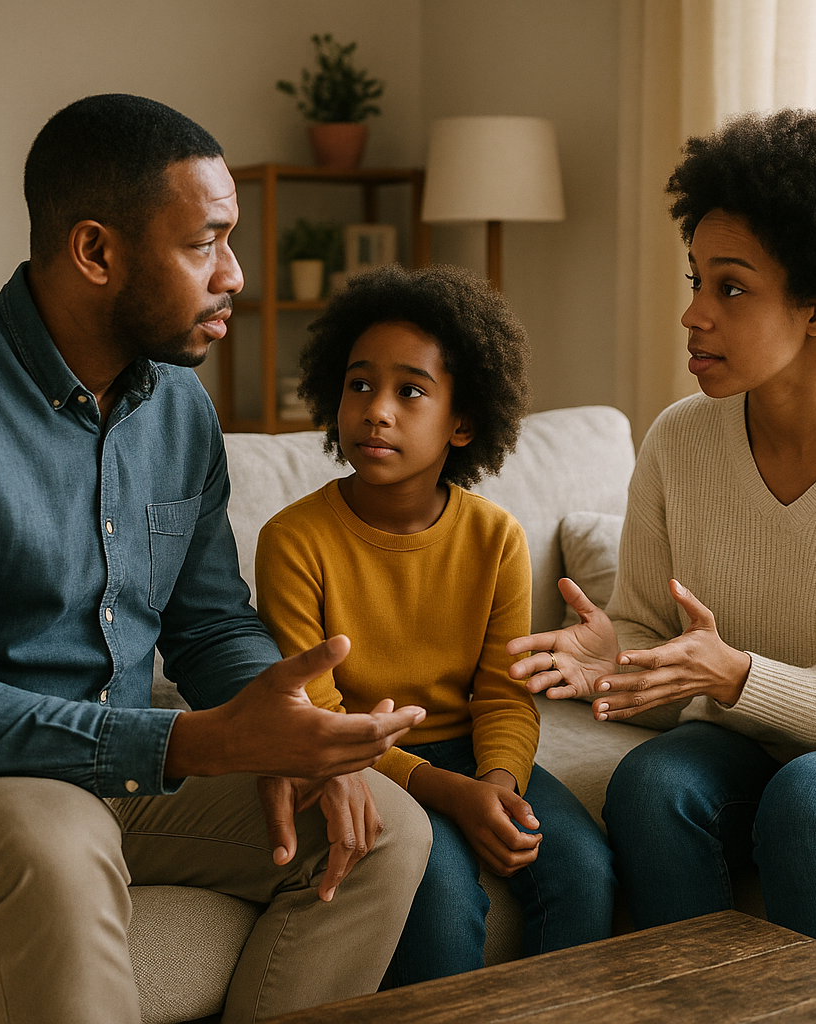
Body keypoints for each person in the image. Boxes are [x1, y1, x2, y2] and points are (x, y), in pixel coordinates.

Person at [0, 94, 433, 1024]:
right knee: (57, 846)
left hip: (131, 766)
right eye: (205, 243)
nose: (235, 275)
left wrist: (291, 728)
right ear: (96, 252)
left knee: (384, 826)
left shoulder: (178, 407)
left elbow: (208, 622)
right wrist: (194, 742)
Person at [508, 108, 816, 961]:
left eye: (731, 287)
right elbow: (654, 639)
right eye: (695, 280)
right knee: (652, 785)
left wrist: (744, 677)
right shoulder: (680, 437)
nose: (692, 314)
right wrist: (619, 659)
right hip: (754, 743)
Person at [255, 264, 613, 985]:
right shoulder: (293, 539)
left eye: (409, 391)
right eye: (359, 384)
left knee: (584, 871)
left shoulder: (496, 538)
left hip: (471, 749)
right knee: (443, 901)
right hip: (361, 760)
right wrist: (452, 796)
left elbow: (505, 692)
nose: (376, 410)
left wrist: (499, 784)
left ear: (463, 421)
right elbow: (320, 719)